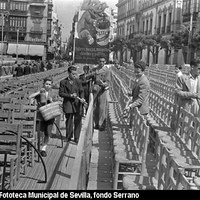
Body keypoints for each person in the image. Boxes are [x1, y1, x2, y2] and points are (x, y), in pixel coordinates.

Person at [29, 77, 57, 157]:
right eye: (46, 84)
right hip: (40, 115)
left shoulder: (53, 93)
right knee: (39, 132)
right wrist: (38, 93)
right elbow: (30, 97)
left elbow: (57, 103)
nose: (48, 86)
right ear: (43, 84)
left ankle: (43, 148)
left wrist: (52, 101)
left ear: (51, 85)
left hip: (50, 115)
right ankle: (37, 147)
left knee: (47, 132)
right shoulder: (40, 92)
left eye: (49, 84)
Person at [59, 66, 86, 143]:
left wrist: (82, 98)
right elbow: (61, 93)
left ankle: (77, 137)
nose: (74, 75)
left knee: (78, 121)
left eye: (75, 74)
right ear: (69, 73)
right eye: (73, 74)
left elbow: (81, 91)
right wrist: (70, 95)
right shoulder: (63, 82)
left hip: (77, 104)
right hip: (68, 104)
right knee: (69, 121)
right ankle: (68, 136)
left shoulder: (78, 81)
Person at [92, 57, 110, 130]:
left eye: (103, 61)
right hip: (96, 88)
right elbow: (92, 79)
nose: (101, 63)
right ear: (98, 61)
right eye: (100, 61)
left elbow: (108, 81)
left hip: (102, 89)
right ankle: (96, 123)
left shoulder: (107, 70)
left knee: (102, 107)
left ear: (105, 62)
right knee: (95, 107)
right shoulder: (95, 69)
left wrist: (105, 84)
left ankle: (102, 125)